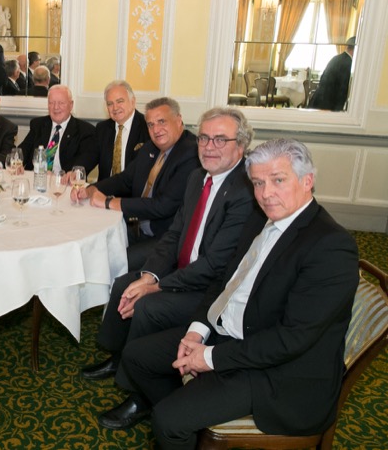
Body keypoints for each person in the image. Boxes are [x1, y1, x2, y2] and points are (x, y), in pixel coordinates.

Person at [121, 138, 359, 450]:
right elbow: (225, 281)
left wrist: (210, 357)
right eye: (258, 183)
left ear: (307, 181)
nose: (266, 193)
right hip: (232, 332)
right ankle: (191, 421)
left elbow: (291, 339)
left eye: (278, 180)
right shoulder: (260, 218)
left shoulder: (331, 246)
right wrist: (197, 331)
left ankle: (180, 422)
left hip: (277, 371)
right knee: (136, 357)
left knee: (167, 420)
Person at [82, 107, 256, 432]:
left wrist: (158, 286)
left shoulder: (246, 192)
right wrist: (149, 276)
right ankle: (121, 357)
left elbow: (215, 265)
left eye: (220, 139)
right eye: (204, 138)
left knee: (147, 305)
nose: (209, 146)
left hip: (214, 289)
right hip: (186, 268)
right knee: (125, 283)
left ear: (241, 146)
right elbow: (175, 235)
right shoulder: (198, 178)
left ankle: (140, 396)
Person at [72, 98, 200, 272]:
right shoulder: (150, 148)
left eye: (162, 122)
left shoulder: (191, 153)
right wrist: (91, 189)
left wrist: (109, 202)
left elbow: (162, 206)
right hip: (136, 226)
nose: (156, 130)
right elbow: (125, 179)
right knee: (90, 244)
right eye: (150, 124)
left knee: (111, 263)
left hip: (165, 238)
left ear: (178, 120)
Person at [18, 85, 98, 173]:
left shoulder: (85, 131)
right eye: (51, 103)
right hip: (36, 177)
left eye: (61, 103)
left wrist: (70, 173)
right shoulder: (38, 124)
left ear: (71, 105)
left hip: (63, 179)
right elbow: (23, 150)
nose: (56, 107)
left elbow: (85, 161)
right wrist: (17, 163)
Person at [95, 80, 149, 180]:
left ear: (132, 102)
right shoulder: (102, 128)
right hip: (105, 188)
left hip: (134, 189)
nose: (115, 108)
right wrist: (75, 171)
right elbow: (90, 156)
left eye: (120, 101)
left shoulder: (147, 127)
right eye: (110, 104)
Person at [307, 36, 355, 112]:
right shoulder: (348, 63)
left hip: (318, 99)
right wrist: (338, 110)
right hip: (327, 104)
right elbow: (342, 89)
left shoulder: (336, 58)